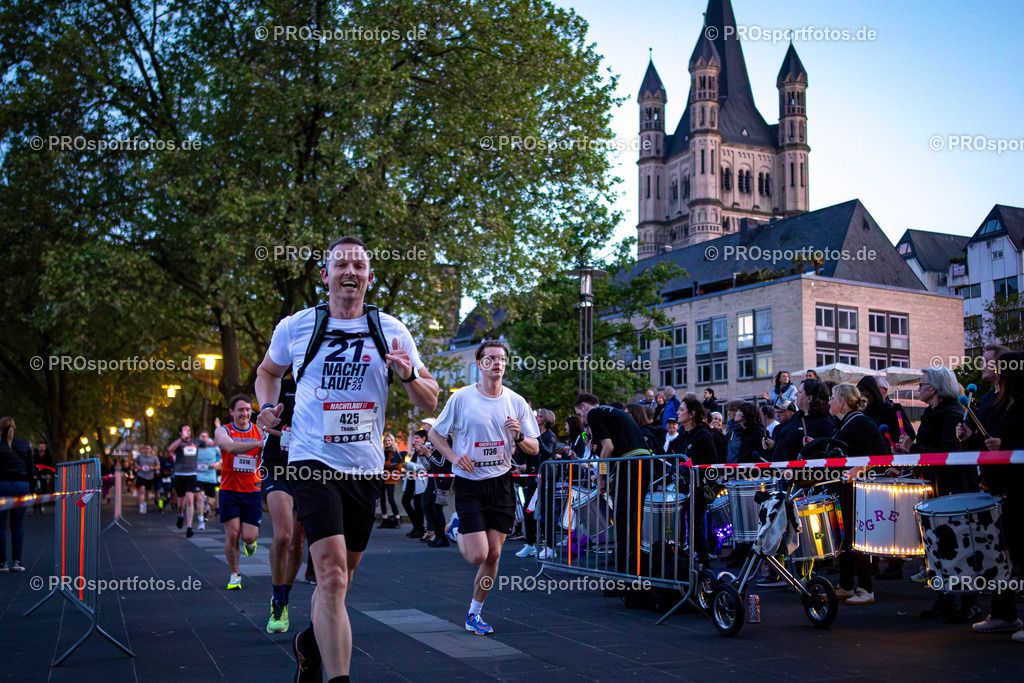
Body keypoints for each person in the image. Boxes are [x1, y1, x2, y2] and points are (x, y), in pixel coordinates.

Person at [255, 235, 437, 682]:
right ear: (326, 275)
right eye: (341, 264)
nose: (350, 271)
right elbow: (267, 372)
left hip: (364, 467)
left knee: (343, 577)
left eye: (358, 265)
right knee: (332, 576)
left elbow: (429, 400)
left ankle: (309, 643)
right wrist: (267, 407)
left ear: (370, 278)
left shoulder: (392, 330)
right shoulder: (296, 326)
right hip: (310, 460)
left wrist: (408, 375)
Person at [428, 340, 538, 635]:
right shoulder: (462, 398)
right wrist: (454, 457)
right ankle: (456, 528)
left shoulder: (516, 401)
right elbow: (435, 433)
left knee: (494, 555)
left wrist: (519, 437)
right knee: (478, 555)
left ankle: (474, 614)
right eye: (490, 359)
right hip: (470, 484)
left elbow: (534, 447)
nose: (497, 363)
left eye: (501, 358)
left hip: (501, 483)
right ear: (480, 364)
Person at [895, 367, 976, 620]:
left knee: (958, 544)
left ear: (934, 389)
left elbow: (947, 452)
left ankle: (969, 603)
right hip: (938, 485)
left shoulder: (952, 414)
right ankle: (945, 598)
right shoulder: (933, 413)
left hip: (955, 487)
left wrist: (913, 448)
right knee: (938, 544)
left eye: (922, 384)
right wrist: (911, 450)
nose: (919, 388)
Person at [958, 350, 1024, 641]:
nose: (984, 365)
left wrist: (1006, 444)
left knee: (1020, 552)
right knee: (998, 553)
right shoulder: (989, 401)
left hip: (1018, 485)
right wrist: (968, 437)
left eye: (990, 362)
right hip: (994, 485)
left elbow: (1006, 442)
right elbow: (984, 442)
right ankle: (1004, 613)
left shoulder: (1020, 402)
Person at [573, 393, 651, 582]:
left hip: (631, 467)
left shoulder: (594, 414)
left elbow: (608, 448)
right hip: (641, 466)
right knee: (632, 521)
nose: (583, 420)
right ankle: (633, 571)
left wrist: (601, 477)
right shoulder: (612, 412)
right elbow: (614, 445)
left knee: (624, 522)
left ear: (585, 406)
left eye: (580, 415)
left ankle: (625, 575)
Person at [829, 384, 889, 606]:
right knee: (846, 538)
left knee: (857, 538)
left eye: (832, 398)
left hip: (857, 489)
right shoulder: (845, 422)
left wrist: (858, 470)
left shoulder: (861, 421)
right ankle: (845, 585)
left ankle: (866, 588)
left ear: (842, 401)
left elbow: (880, 452)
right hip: (844, 488)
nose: (829, 402)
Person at [260, 378, 305, 633]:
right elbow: (264, 422)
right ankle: (277, 601)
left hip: (309, 470)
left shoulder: (323, 383)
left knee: (298, 543)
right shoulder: (280, 384)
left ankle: (284, 597)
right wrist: (266, 416)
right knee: (283, 536)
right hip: (276, 467)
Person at [214, 394, 265, 590]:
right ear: (232, 412)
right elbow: (230, 447)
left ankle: (250, 542)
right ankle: (235, 574)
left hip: (252, 491)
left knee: (249, 536)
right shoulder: (223, 430)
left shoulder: (260, 430)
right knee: (232, 533)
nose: (245, 413)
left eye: (248, 409)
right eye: (241, 409)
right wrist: (258, 444)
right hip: (229, 490)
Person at [678, 398, 715, 566]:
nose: (678, 412)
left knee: (695, 524)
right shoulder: (685, 434)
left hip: (698, 486)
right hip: (685, 486)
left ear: (692, 414)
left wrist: (691, 466)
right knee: (685, 524)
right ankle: (686, 560)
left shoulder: (703, 434)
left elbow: (711, 460)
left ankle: (705, 563)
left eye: (681, 409)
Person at [518, 409, 557, 560]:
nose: (536, 418)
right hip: (535, 476)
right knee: (528, 509)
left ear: (546, 419)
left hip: (546, 477)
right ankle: (530, 543)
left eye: (539, 416)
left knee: (547, 511)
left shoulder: (549, 436)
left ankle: (550, 547)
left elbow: (547, 453)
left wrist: (537, 439)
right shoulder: (534, 435)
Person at [168, 424, 215, 538]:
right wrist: (181, 439)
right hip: (180, 475)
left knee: (190, 499)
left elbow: (213, 444)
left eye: (189, 430)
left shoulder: (196, 442)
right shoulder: (179, 443)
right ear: (180, 433)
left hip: (192, 475)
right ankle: (180, 515)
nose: (188, 432)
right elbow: (170, 449)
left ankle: (189, 527)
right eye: (185, 431)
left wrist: (218, 429)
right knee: (181, 503)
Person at [0, 417, 33, 572]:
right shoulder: (24, 445)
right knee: (17, 524)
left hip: (2, 486)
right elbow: (31, 469)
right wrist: (31, 490)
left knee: (1, 527)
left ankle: (3, 563)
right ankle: (17, 562)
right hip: (21, 486)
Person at [402, 431, 430, 540]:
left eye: (417, 438)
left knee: (418, 505)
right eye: (414, 438)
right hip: (411, 479)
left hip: (419, 481)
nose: (415, 440)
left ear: (423, 438)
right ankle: (416, 526)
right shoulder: (415, 450)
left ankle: (419, 528)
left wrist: (408, 464)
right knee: (405, 501)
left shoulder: (426, 449)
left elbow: (424, 468)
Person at [195, 431, 221, 526]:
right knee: (200, 498)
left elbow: (223, 457)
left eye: (206, 436)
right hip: (199, 476)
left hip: (211, 477)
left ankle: (207, 505)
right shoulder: (196, 447)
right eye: (202, 436)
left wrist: (216, 464)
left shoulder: (213, 447)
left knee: (211, 501)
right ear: (199, 438)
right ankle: (201, 522)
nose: (204, 438)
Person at [379, 433, 404, 528]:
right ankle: (384, 519)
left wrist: (385, 464)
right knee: (382, 499)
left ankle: (397, 518)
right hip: (383, 477)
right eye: (386, 441)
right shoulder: (383, 451)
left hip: (391, 478)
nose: (387, 442)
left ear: (392, 441)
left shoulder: (396, 452)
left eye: (389, 440)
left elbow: (397, 466)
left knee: (390, 498)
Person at [133, 445, 161, 514]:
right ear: (144, 450)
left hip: (150, 476)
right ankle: (141, 507)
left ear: (151, 450)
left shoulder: (154, 457)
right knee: (142, 490)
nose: (147, 450)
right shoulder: (140, 456)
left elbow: (158, 466)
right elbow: (134, 462)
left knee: (147, 493)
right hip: (141, 475)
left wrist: (153, 468)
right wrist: (137, 466)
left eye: (148, 448)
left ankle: (145, 504)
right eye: (146, 448)